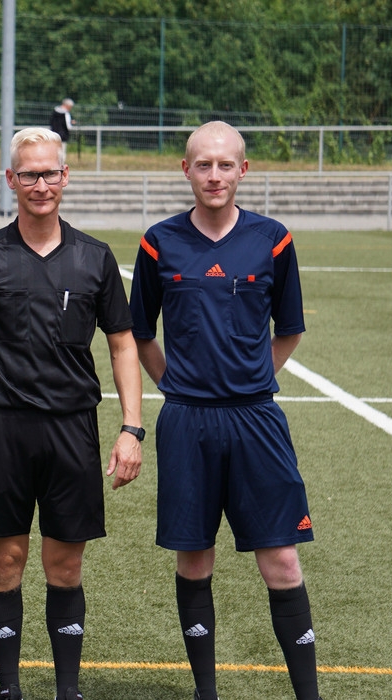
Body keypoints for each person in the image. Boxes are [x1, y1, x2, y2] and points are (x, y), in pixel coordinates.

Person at [0, 127, 144, 700]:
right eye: (28, 174)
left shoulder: (95, 257)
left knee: (65, 566)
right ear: (11, 179)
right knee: (6, 561)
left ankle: (66, 689)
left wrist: (131, 428)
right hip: (1, 427)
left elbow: (122, 344)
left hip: (72, 428)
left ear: (65, 176)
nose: (40, 184)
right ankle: (9, 687)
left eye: (50, 172)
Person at [128, 121, 321, 700]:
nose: (215, 175)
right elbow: (140, 334)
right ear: (185, 169)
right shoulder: (159, 241)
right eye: (204, 164)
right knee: (194, 559)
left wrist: (251, 379)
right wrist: (176, 385)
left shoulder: (273, 239)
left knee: (282, 561)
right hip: (186, 421)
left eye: (225, 164)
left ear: (243, 170)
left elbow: (289, 329)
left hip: (256, 419)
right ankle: (205, 692)